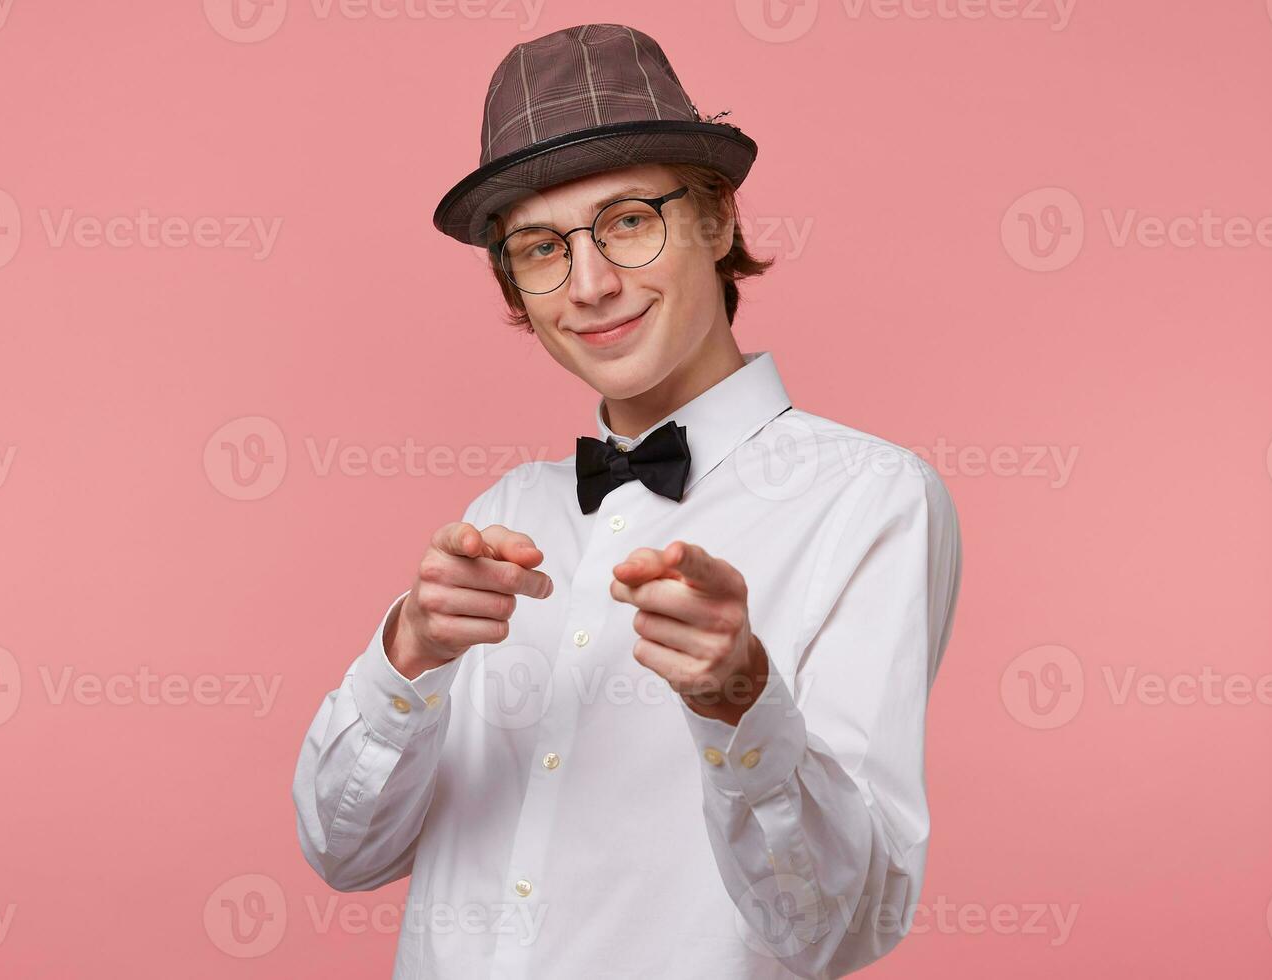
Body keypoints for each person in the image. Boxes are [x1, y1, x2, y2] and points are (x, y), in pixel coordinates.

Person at [292, 22, 962, 979]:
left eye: (630, 221)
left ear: (718, 222)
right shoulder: (505, 513)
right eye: (540, 247)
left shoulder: (872, 500)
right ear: (515, 288)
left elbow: (836, 927)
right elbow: (342, 853)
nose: (594, 285)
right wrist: (409, 657)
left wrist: (741, 701)